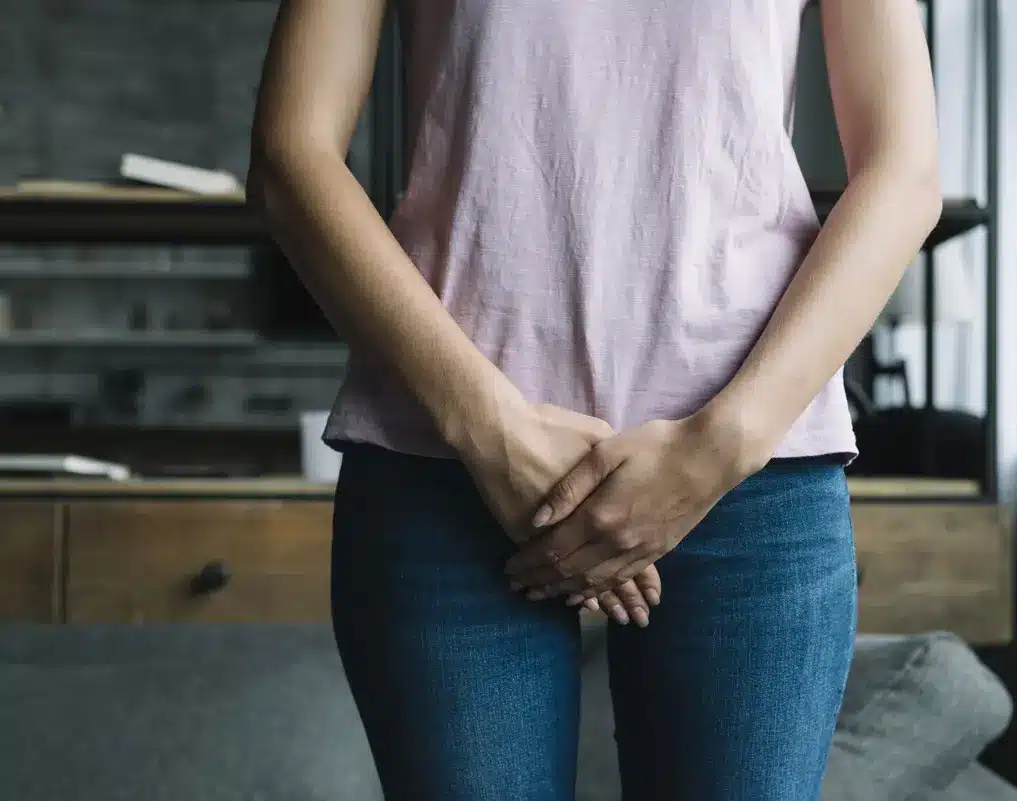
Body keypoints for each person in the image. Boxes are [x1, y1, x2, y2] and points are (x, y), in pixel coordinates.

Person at [248, 0, 939, 798]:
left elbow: (905, 168)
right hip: (446, 458)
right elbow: (290, 153)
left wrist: (722, 444)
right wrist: (489, 429)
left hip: (749, 472)